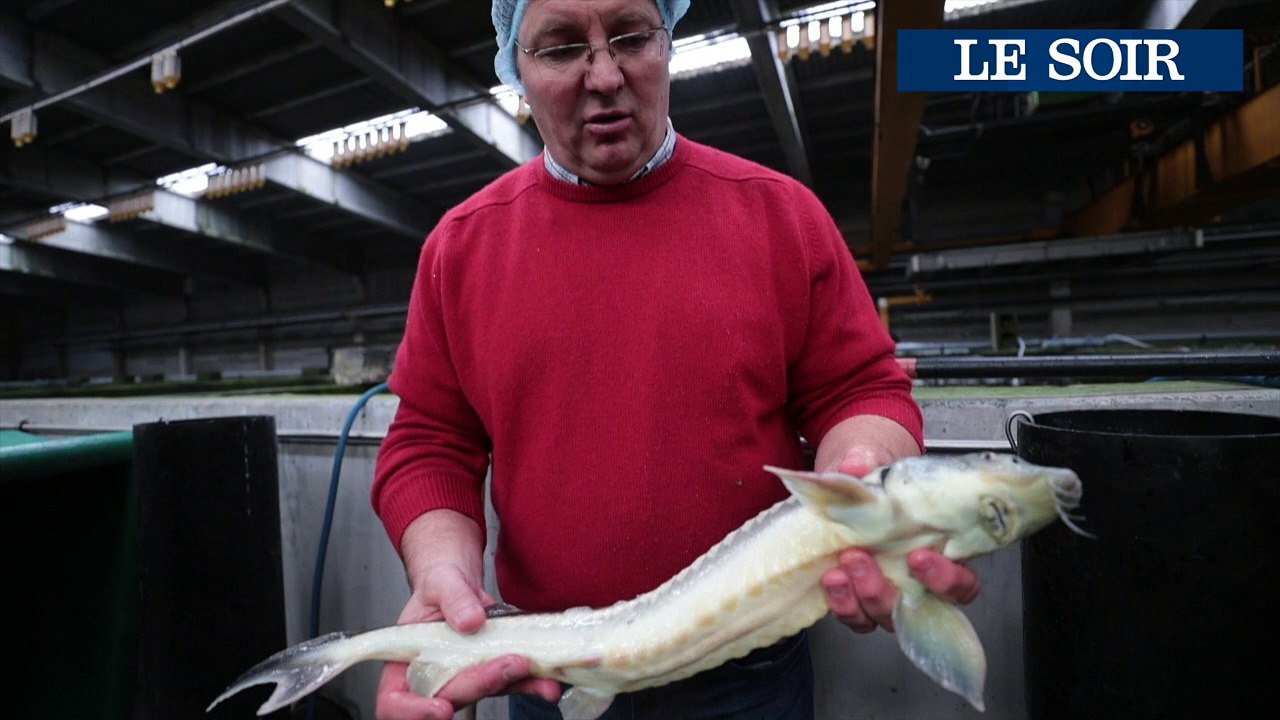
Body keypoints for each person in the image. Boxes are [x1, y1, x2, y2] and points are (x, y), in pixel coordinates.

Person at [370, 1, 981, 718]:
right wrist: (442, 569)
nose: (605, 75)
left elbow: (859, 390)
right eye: (562, 49)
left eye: (630, 37)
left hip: (746, 672)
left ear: (668, 42)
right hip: (544, 667)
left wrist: (860, 476)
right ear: (516, 70)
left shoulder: (779, 216)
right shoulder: (462, 249)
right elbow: (431, 441)